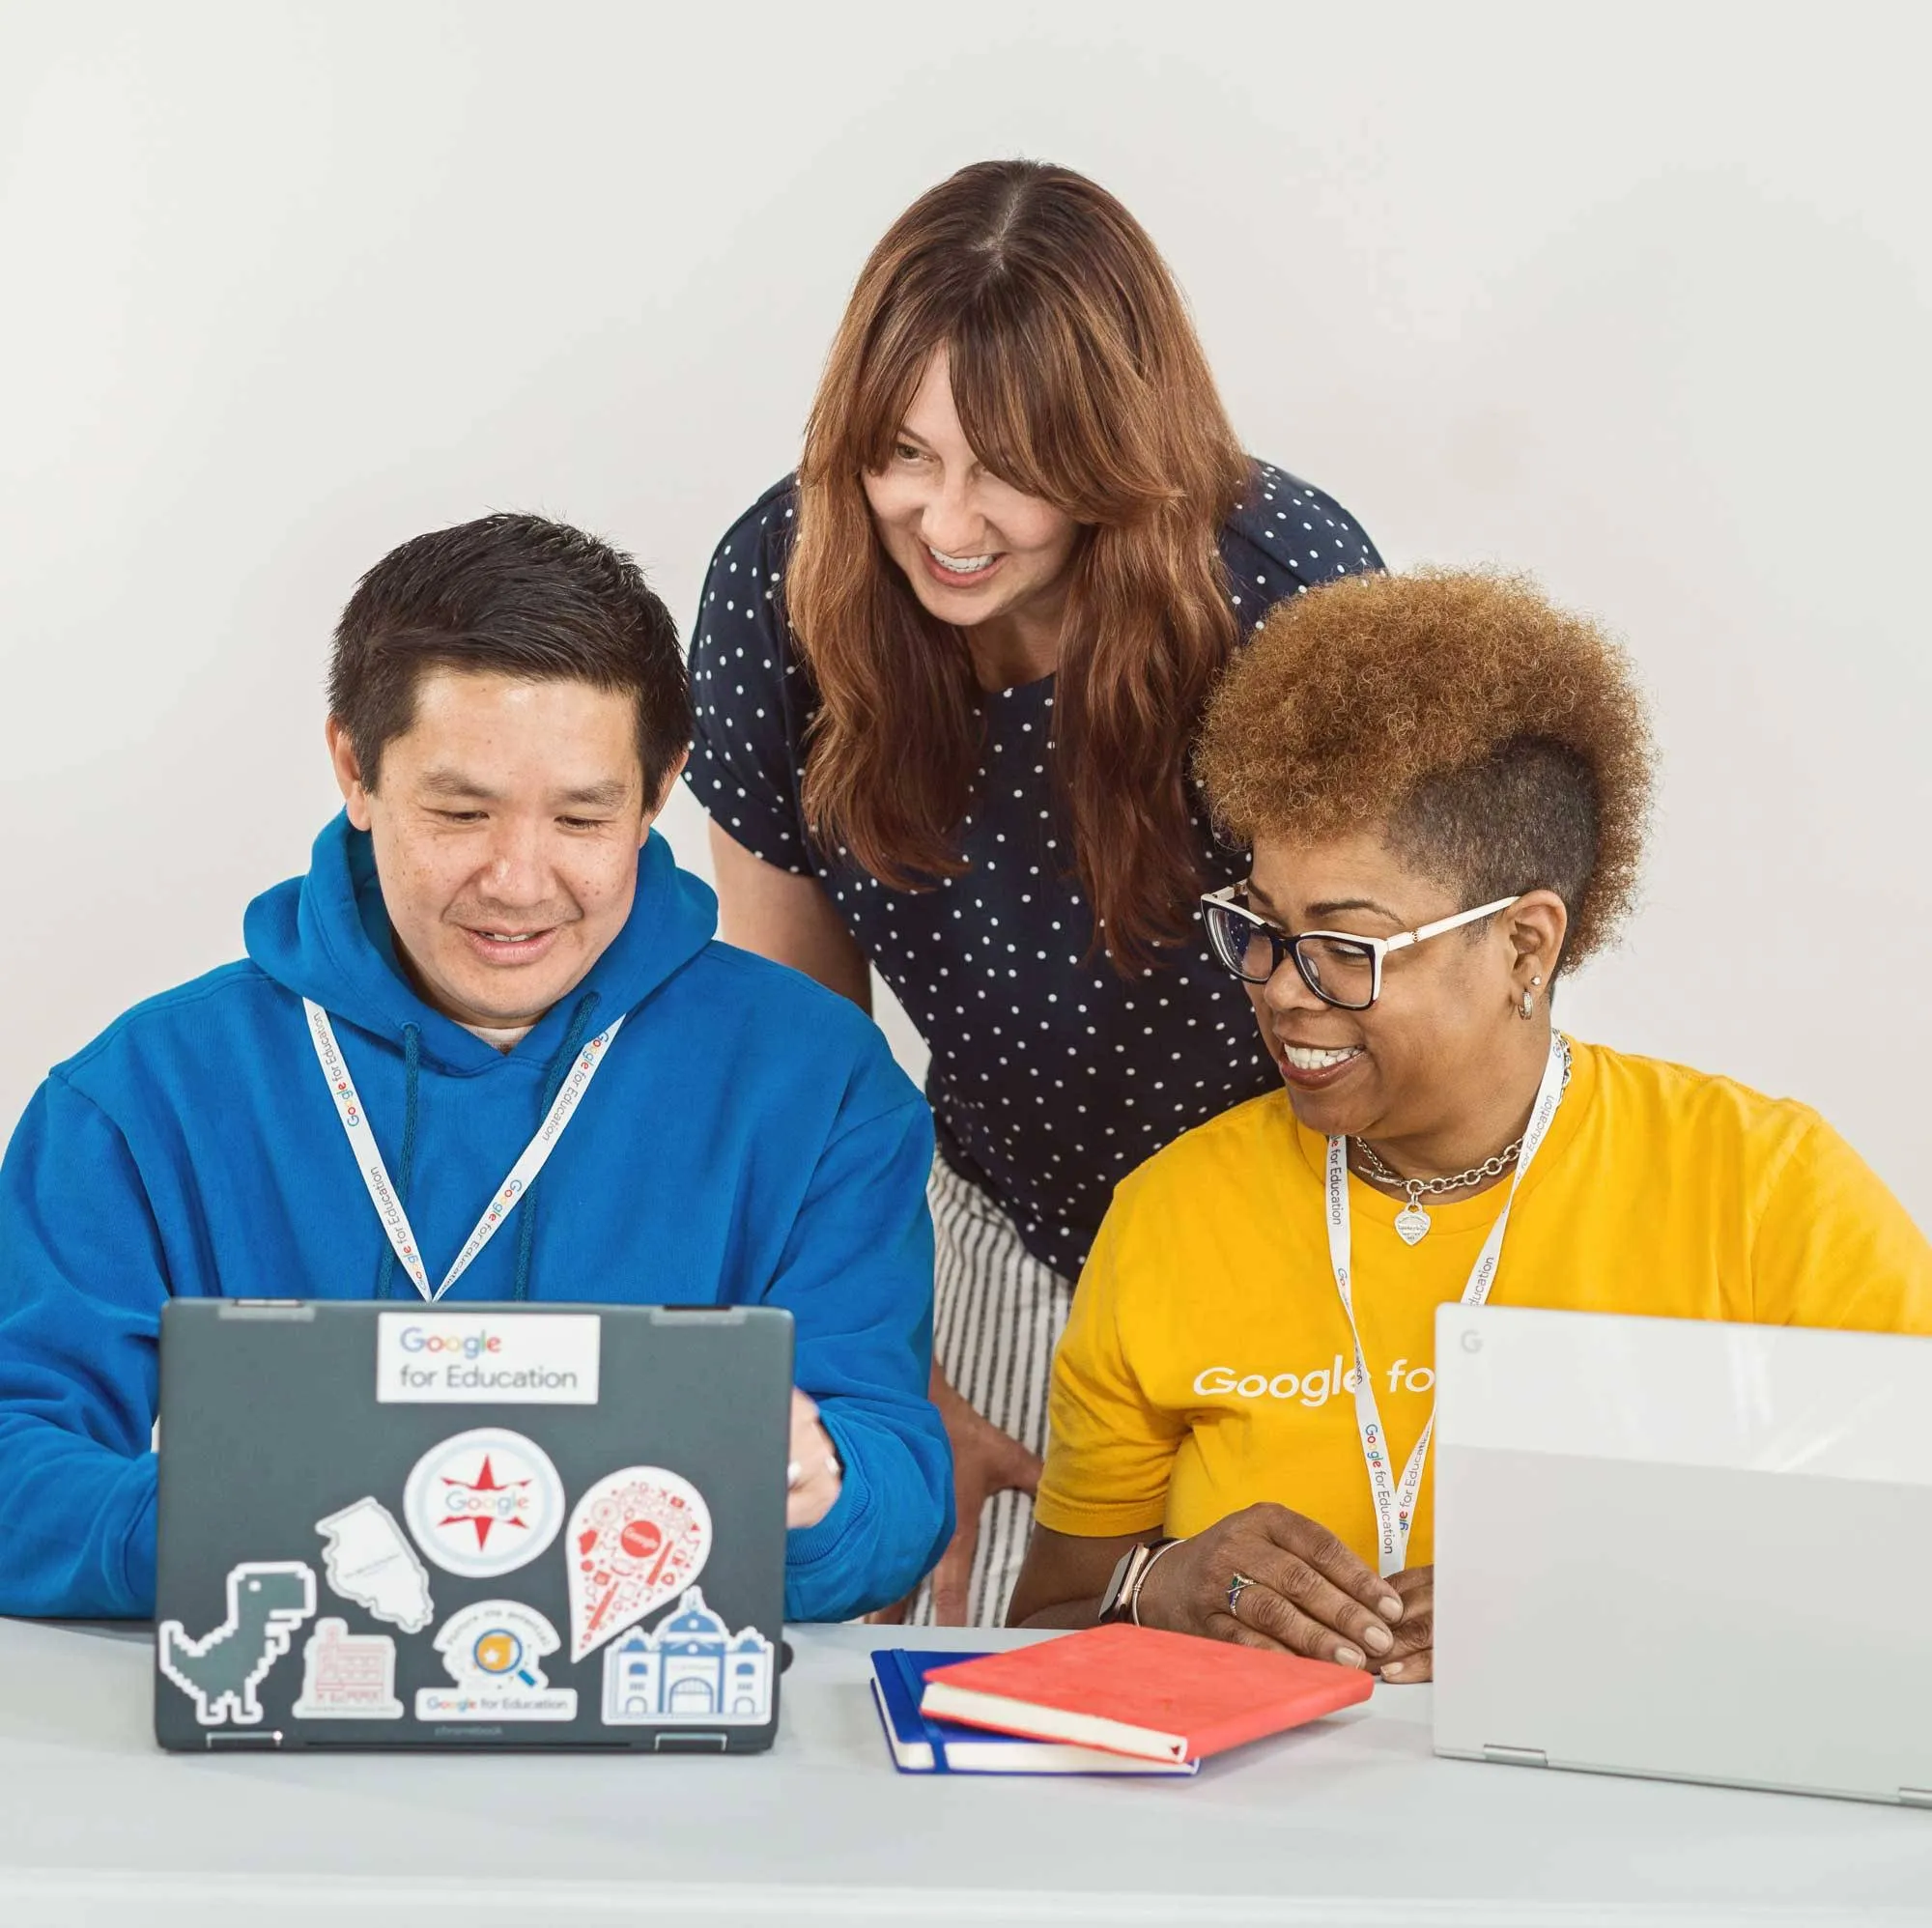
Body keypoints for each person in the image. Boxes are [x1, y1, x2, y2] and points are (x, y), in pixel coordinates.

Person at [0, 513, 952, 1622]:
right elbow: (18, 1446)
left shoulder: (819, 1082)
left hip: (660, 1754)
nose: (516, 881)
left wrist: (811, 1484)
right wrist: (236, 1518)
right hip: (265, 1745)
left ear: (658, 792)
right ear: (355, 770)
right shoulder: (140, 1094)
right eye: (460, 811)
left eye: (583, 817)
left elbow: (890, 1485)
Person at [1008, 566, 1932, 1676]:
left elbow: (1896, 1570)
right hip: (1257, 1836)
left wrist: (1610, 1606)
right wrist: (1158, 1587)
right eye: (1258, 928)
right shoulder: (1170, 1213)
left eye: (1347, 946)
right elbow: (1044, 1627)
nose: (1281, 989)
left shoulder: (1762, 1190)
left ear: (1524, 949)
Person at [685, 158, 1381, 1624]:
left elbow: (1389, 990)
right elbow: (791, 1046)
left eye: (1010, 465)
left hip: (1282, 1215)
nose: (947, 518)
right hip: (989, 1219)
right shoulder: (784, 586)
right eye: (904, 453)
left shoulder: (1282, 588)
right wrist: (881, 1362)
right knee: (959, 1680)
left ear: (1119, 448)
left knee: (1272, 1697)